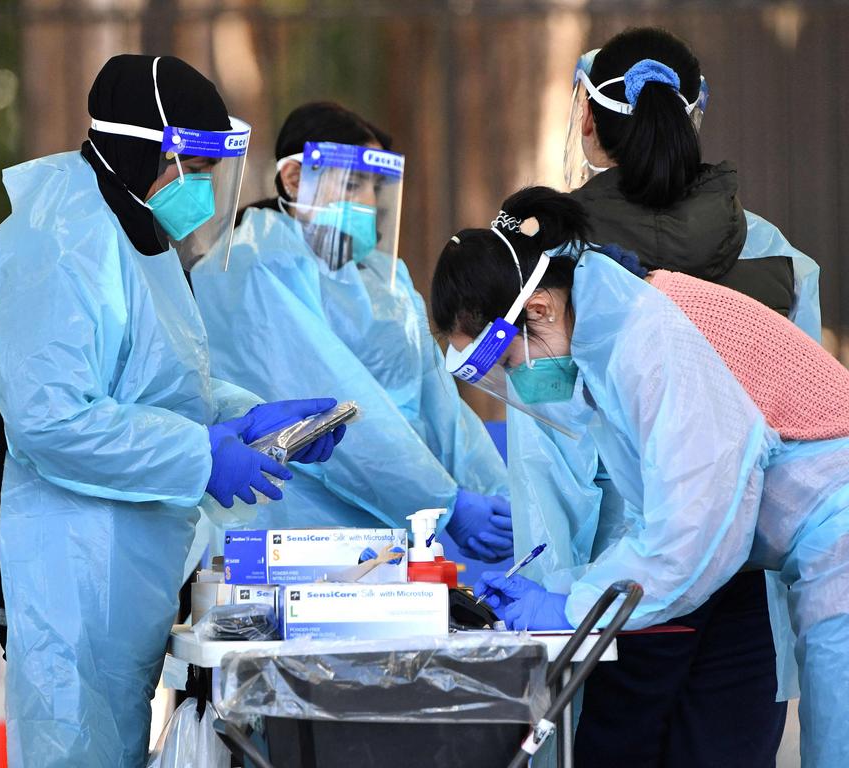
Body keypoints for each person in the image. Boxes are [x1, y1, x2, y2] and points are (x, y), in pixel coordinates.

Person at [0, 55, 346, 766]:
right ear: (145, 149)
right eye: (191, 166)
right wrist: (201, 453)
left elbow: (162, 385)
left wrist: (256, 418)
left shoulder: (134, 224)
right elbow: (51, 421)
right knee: (73, 748)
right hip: (59, 552)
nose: (200, 188)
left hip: (114, 553)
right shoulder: (61, 236)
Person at [432, 186, 849, 768]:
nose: (515, 384)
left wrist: (571, 607)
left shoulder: (651, 337)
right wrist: (562, 587)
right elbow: (664, 522)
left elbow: (693, 538)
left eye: (505, 363)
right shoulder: (615, 338)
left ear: (539, 311)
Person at [511, 27, 821, 766]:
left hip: (621, 595)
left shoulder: (551, 256)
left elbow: (548, 454)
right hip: (748, 582)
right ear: (694, 116)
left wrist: (556, 600)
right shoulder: (775, 253)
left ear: (586, 117)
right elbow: (802, 419)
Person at [191, 102, 512, 561]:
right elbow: (338, 407)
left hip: (387, 535)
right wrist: (446, 502)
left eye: (375, 185)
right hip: (285, 535)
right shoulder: (255, 265)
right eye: (354, 182)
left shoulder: (383, 280)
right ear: (295, 178)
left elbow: (440, 405)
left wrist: (498, 495)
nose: (368, 201)